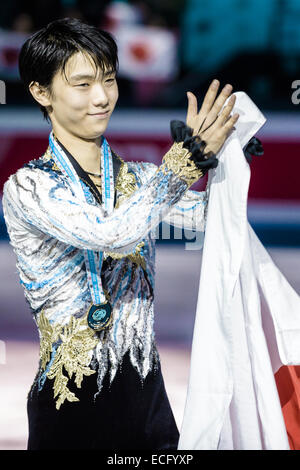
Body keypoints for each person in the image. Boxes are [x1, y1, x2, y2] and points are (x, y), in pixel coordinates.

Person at [2, 17, 238, 450]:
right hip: (69, 408)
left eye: (108, 80)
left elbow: (214, 219)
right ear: (41, 92)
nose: (101, 97)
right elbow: (115, 233)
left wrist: (230, 165)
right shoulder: (28, 187)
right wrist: (184, 163)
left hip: (149, 408)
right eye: (83, 84)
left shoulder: (142, 181)